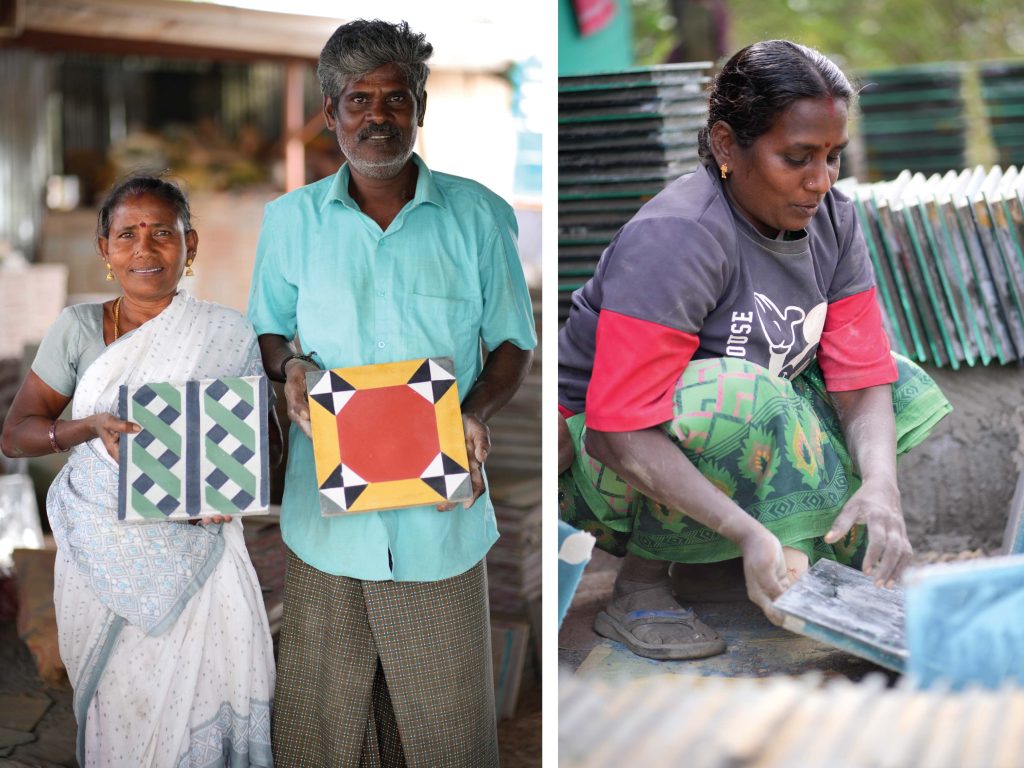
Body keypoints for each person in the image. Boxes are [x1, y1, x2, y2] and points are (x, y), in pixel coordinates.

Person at [557, 40, 952, 661]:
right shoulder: (679, 237)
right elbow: (616, 429)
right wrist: (747, 531)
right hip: (598, 466)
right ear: (724, 146)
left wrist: (881, 484)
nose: (820, 181)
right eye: (797, 158)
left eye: (832, 157)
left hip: (725, 425)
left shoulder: (834, 220)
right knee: (742, 394)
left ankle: (722, 562)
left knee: (899, 385)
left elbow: (861, 372)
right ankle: (640, 583)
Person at [247, 19, 536, 767]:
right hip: (327, 518)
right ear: (330, 110)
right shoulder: (290, 222)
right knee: (322, 724)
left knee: (447, 729)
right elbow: (271, 332)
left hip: (437, 518)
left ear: (421, 108)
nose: (378, 116)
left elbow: (512, 343)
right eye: (358, 100)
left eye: (396, 99)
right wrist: (289, 370)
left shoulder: (478, 217)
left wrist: (474, 411)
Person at [1, 176, 277, 766]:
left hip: (203, 556)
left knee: (199, 704)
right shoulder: (77, 329)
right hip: (100, 548)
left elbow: (260, 446)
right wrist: (84, 426)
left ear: (191, 244)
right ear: (105, 248)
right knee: (119, 706)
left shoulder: (226, 333)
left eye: (162, 234)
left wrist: (227, 484)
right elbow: (19, 432)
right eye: (127, 235)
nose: (145, 250)